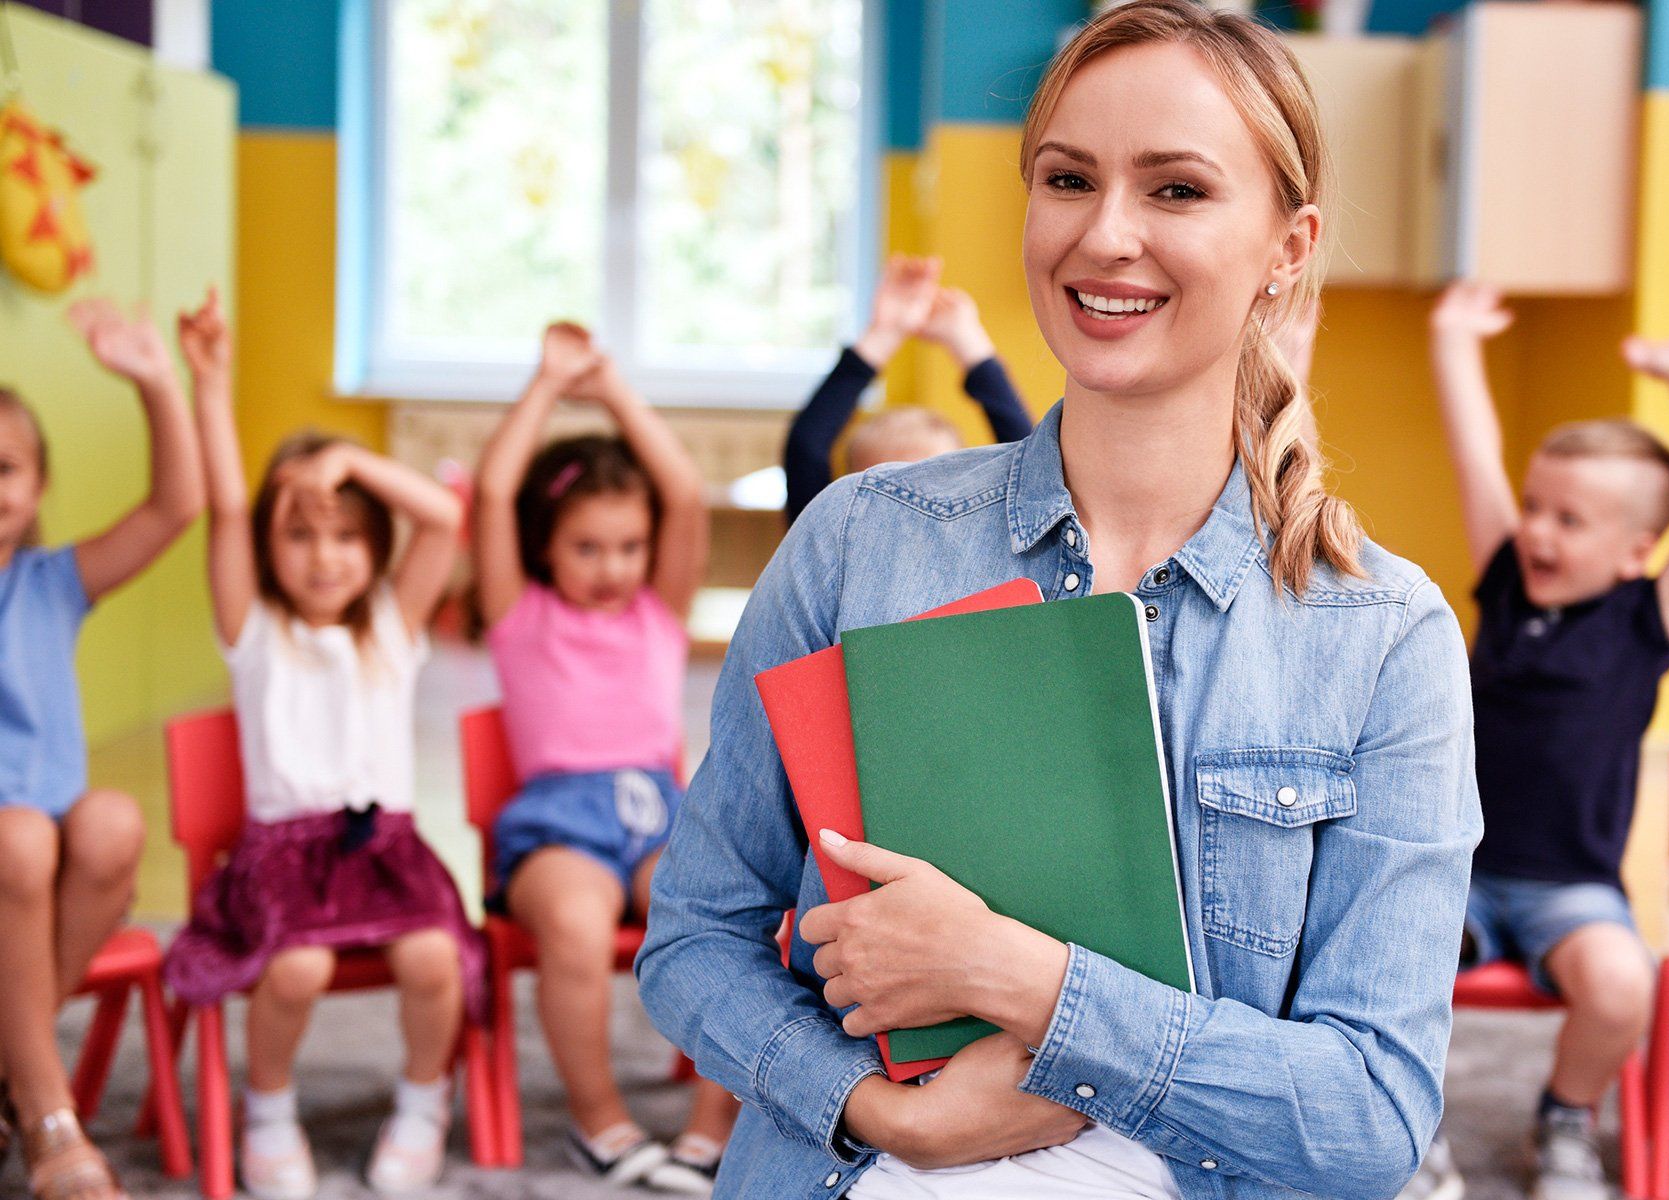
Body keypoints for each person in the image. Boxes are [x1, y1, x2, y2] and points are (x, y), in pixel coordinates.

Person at [639, 3, 1479, 1197]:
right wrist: (884, 1114)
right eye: (1068, 179)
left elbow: (1370, 1117)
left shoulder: (1386, 640)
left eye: (1177, 190)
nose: (1106, 236)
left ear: (1289, 247)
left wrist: (1021, 978)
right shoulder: (858, 543)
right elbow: (695, 939)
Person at [1408, 280, 1669, 1200]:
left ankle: (1565, 1116)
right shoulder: (1508, 585)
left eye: (1569, 520)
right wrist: (1452, 341)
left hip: (1574, 888)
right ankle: (1407, 1119)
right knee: (1385, 952)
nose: (1538, 532)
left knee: (1623, 984)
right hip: (1462, 867)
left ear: (1637, 549)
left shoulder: (1648, 615)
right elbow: (1475, 455)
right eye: (1536, 508)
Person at [162, 290, 482, 1199]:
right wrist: (211, 380)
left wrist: (350, 461)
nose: (324, 555)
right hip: (282, 858)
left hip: (385, 848)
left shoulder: (392, 622)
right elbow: (226, 506)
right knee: (296, 969)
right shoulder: (255, 631)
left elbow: (444, 520)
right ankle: (267, 1112)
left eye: (345, 535)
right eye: (299, 533)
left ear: (372, 544)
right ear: (268, 549)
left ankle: (424, 1101)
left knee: (432, 961)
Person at [472, 321, 736, 1194]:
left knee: (721, 914)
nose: (613, 567)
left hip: (658, 812)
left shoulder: (656, 615)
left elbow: (684, 496)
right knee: (578, 930)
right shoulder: (520, 615)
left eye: (628, 547)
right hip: (559, 823)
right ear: (545, 542)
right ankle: (600, 1121)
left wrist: (616, 388)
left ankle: (709, 1126)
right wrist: (548, 385)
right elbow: (493, 490)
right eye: (588, 547)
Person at [0, 300, 203, 1200]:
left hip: (45, 855)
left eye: (3, 468)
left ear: (36, 487)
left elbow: (176, 507)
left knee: (115, 820)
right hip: (15, 849)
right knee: (23, 841)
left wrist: (160, 381)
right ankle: (47, 1117)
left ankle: (11, 1065)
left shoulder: (52, 584)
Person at [784, 256, 1032, 523]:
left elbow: (1030, 467)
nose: (913, 506)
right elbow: (806, 448)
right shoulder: (834, 537)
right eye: (887, 490)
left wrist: (969, 343)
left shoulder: (978, 541)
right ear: (848, 497)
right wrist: (884, 335)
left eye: (934, 488)